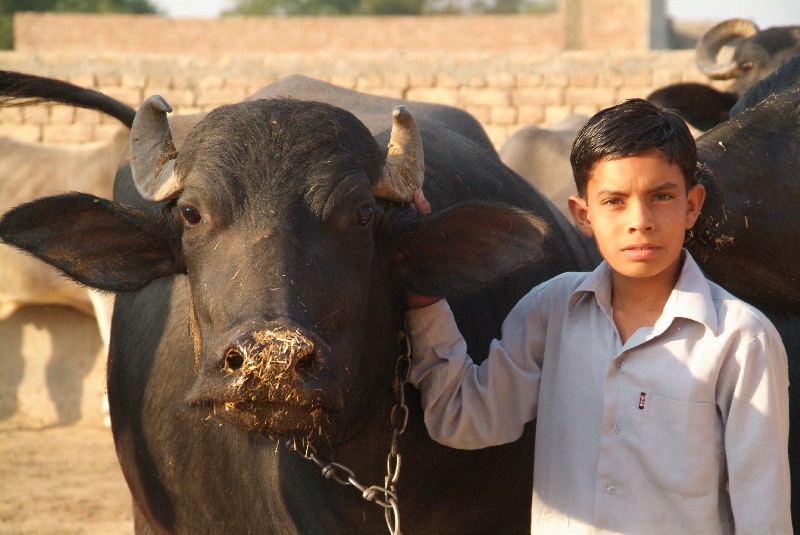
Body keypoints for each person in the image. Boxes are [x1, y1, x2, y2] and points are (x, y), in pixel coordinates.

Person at [405, 98, 792, 533]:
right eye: (614, 201)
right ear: (582, 215)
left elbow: (763, 512)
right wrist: (425, 294)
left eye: (661, 196)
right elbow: (464, 419)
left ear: (692, 205)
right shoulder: (551, 311)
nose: (640, 221)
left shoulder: (741, 339)